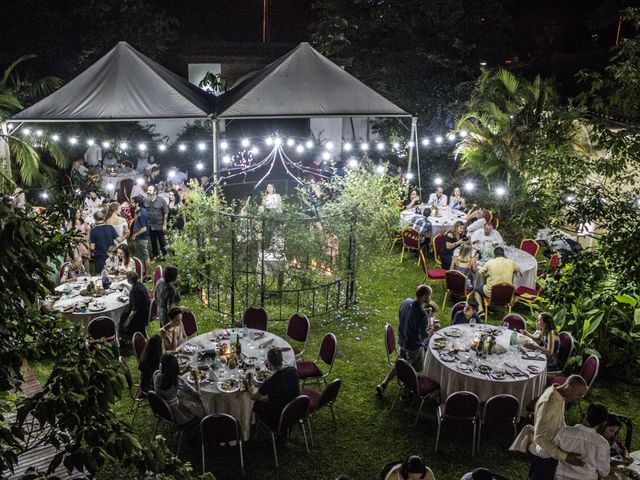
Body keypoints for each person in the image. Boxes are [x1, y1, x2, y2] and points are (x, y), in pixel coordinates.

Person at [376, 285, 440, 396]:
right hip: (413, 347)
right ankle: (406, 393)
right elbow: (424, 337)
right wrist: (434, 328)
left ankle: (383, 384)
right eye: (430, 295)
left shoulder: (406, 302)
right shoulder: (422, 316)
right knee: (410, 370)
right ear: (425, 296)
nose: (430, 297)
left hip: (402, 341)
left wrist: (422, 311)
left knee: (400, 364)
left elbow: (408, 313)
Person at [527, 375, 589, 480]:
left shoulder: (561, 396)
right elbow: (539, 437)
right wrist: (565, 457)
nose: (580, 399)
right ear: (570, 388)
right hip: (544, 454)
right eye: (579, 395)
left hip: (554, 449)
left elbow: (560, 421)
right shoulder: (548, 402)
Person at [243, 347, 300, 431]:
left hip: (276, 416)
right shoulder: (293, 370)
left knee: (256, 405)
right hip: (293, 409)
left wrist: (248, 383)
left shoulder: (271, 381)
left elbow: (254, 396)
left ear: (269, 363)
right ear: (281, 359)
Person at [553, 403, 610, 480]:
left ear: (585, 414)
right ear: (602, 423)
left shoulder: (564, 431)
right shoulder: (603, 444)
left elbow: (550, 450)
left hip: (561, 477)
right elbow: (604, 472)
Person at [153, 353, 205, 425]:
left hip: (162, 409)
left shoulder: (156, 375)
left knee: (183, 393)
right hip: (176, 414)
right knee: (201, 402)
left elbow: (169, 375)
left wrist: (184, 370)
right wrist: (196, 378)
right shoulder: (178, 381)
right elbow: (198, 394)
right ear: (176, 367)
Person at [473, 247, 520, 314]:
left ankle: (480, 309)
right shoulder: (511, 262)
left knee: (476, 291)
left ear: (494, 255)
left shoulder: (490, 262)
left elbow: (480, 272)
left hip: (491, 293)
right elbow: (518, 269)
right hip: (507, 294)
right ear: (504, 254)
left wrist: (487, 273)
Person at [119, 271, 151, 341]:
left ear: (128, 280)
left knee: (120, 318)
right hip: (145, 313)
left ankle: (125, 337)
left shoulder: (135, 291)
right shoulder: (139, 285)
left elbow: (135, 309)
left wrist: (127, 322)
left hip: (139, 318)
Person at [145, 185, 168, 260]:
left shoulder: (161, 200)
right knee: (153, 241)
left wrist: (164, 224)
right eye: (148, 190)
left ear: (155, 192)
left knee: (162, 241)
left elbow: (165, 212)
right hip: (150, 226)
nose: (148, 191)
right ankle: (155, 255)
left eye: (150, 190)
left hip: (159, 225)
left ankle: (164, 256)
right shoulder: (146, 200)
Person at [130, 196, 151, 281]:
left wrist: (135, 235)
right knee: (143, 256)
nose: (131, 204)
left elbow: (144, 228)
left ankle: (148, 276)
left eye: (132, 202)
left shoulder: (142, 213)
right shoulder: (138, 211)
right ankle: (145, 272)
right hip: (140, 238)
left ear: (137, 203)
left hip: (142, 238)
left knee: (146, 257)